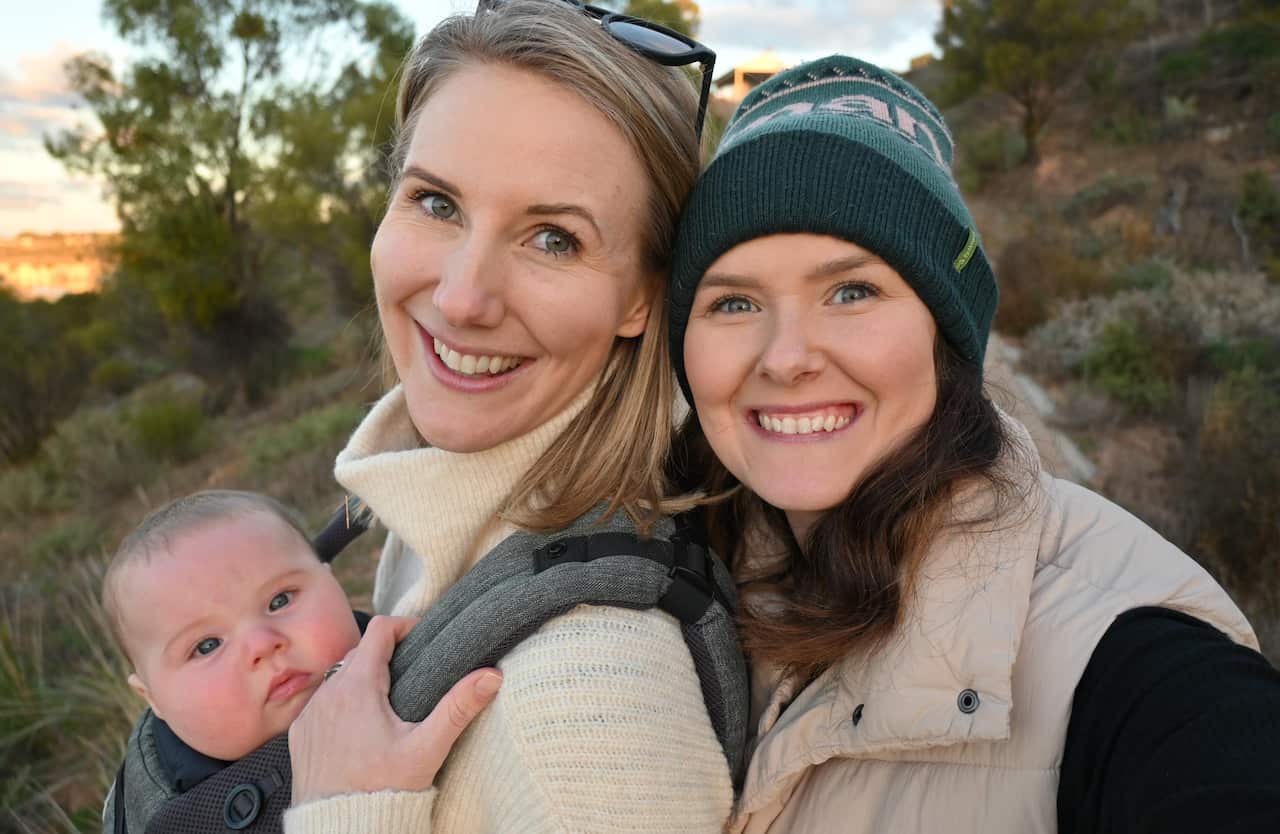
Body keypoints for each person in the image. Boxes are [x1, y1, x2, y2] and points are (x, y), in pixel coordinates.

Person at [667, 55, 1280, 833]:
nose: (785, 357)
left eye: (851, 291)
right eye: (734, 301)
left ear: (945, 334)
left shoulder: (1136, 665)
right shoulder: (675, 573)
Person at [283, 1, 733, 831]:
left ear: (643, 294)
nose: (460, 298)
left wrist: (340, 814)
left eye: (553, 239)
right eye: (437, 203)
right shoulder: (457, 500)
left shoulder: (592, 719)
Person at [102, 490, 367, 778]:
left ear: (332, 581)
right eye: (207, 646)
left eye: (280, 600)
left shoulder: (412, 646)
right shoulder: (182, 817)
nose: (263, 645)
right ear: (153, 699)